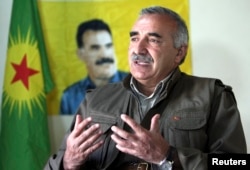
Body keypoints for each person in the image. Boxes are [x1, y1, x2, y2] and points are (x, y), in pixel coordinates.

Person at [45, 6, 247, 169]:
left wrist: (168, 156)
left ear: (179, 53)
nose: (138, 49)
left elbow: (235, 162)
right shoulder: (96, 98)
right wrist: (68, 162)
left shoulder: (213, 95)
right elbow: (58, 162)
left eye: (153, 39)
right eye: (134, 38)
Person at [60, 19, 128, 115]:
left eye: (108, 46)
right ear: (80, 55)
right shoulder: (70, 97)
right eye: (95, 48)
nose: (105, 55)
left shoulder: (138, 87)